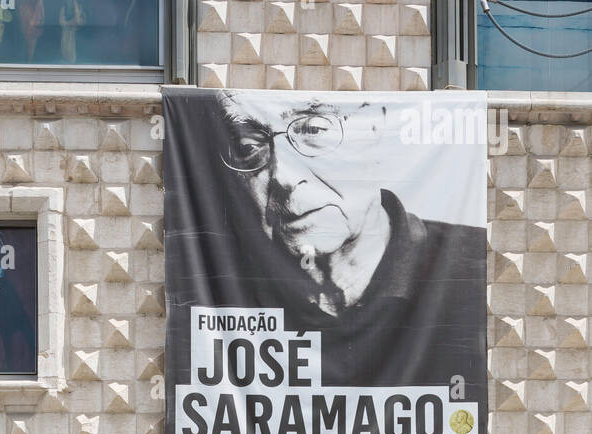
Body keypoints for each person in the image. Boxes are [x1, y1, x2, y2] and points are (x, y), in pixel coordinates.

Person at [206, 91, 486, 392]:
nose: (283, 176)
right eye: (249, 145)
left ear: (374, 129)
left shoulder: (475, 271)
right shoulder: (216, 287)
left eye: (313, 130)